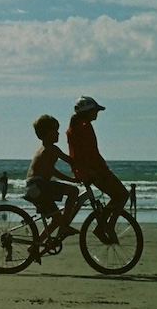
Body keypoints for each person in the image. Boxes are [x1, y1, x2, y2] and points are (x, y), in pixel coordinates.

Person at [67, 95, 128, 242]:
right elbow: (90, 153)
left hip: (83, 171)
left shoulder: (74, 127)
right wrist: (100, 170)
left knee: (117, 196)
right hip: (93, 171)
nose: (97, 113)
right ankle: (107, 226)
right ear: (88, 111)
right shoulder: (85, 127)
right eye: (95, 111)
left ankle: (102, 224)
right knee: (122, 195)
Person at [23, 115, 80, 262]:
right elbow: (70, 161)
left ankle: (34, 246)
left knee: (56, 219)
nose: (58, 134)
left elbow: (52, 171)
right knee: (74, 191)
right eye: (55, 131)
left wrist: (72, 179)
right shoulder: (51, 148)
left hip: (33, 186)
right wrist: (88, 167)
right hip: (39, 185)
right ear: (47, 133)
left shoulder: (44, 149)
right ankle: (65, 227)